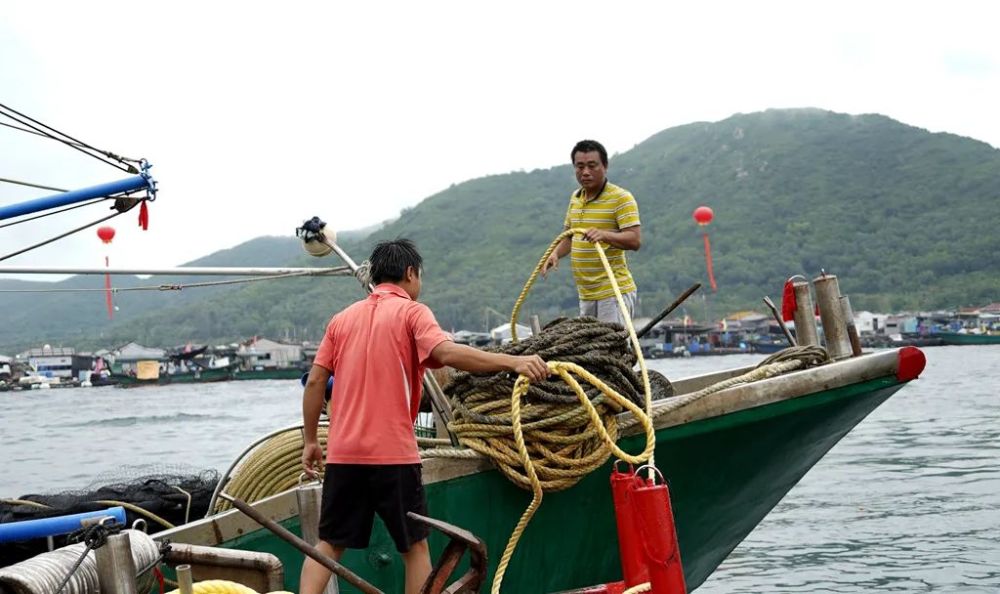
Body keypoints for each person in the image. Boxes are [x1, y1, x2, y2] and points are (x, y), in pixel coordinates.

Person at [300, 238, 548, 594]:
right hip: (393, 455)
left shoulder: (341, 320)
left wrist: (311, 441)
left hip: (344, 454)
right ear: (411, 273)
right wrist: (514, 361)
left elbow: (316, 383)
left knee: (328, 545)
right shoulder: (413, 312)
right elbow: (446, 353)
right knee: (414, 547)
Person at [541, 139, 642, 326]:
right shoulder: (576, 198)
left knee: (610, 350)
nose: (585, 172)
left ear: (605, 166)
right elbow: (569, 237)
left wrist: (604, 235)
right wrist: (555, 253)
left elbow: (634, 240)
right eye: (580, 166)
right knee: (591, 349)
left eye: (592, 166)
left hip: (613, 292)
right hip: (586, 293)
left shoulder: (621, 198)